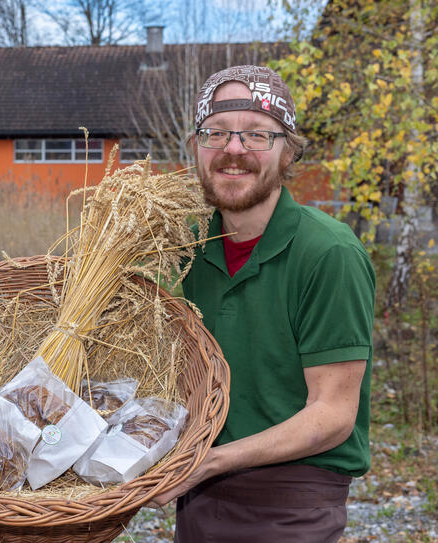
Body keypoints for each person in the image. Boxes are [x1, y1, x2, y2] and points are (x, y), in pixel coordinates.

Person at [149, 65, 376, 542]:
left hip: (293, 502)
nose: (234, 150)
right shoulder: (183, 249)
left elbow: (333, 416)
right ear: (195, 148)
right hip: (198, 500)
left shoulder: (328, 253)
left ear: (288, 151)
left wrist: (211, 462)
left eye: (257, 135)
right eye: (216, 133)